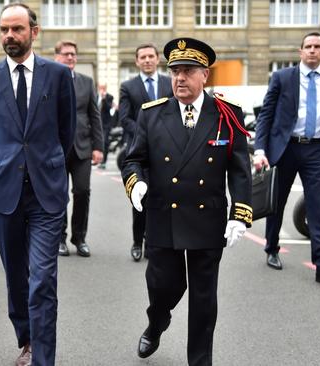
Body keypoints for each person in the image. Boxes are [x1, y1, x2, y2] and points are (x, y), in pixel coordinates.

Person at [120, 37, 252, 365]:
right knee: (162, 287)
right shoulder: (152, 115)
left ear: (205, 75)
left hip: (207, 220)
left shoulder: (226, 114)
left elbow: (239, 170)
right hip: (163, 216)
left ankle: (200, 360)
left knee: (204, 299)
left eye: (188, 71)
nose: (179, 78)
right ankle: (157, 322)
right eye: (175, 71)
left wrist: (239, 213)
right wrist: (135, 183)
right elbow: (132, 159)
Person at [0, 3, 76, 365]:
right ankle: (27, 339)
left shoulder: (58, 76)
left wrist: (45, 164)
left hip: (47, 193)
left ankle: (42, 358)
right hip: (4, 195)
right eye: (4, 30)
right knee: (17, 277)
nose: (9, 36)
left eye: (16, 29)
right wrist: (5, 165)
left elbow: (67, 132)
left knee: (42, 279)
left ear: (34, 31)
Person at [253, 32, 320, 282]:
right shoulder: (283, 77)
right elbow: (266, 116)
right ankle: (272, 248)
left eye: (318, 47)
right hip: (285, 148)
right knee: (277, 202)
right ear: (300, 51)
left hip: (317, 150)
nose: (313, 50)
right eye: (308, 46)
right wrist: (260, 150)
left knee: (318, 206)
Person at [119, 43, 172, 261]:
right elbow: (124, 118)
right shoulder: (128, 87)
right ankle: (136, 242)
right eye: (143, 57)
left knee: (163, 197)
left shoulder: (170, 84)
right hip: (139, 151)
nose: (148, 60)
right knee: (139, 196)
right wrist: (146, 133)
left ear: (158, 59)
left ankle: (154, 241)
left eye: (151, 56)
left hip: (167, 150)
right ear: (137, 61)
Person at [53, 40, 103, 258]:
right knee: (58, 195)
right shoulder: (50, 81)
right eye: (66, 54)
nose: (70, 58)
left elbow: (95, 115)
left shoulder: (86, 82)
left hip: (83, 148)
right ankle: (60, 239)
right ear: (57, 57)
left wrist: (98, 147)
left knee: (82, 192)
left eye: (73, 54)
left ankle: (79, 238)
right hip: (56, 149)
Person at [97, 83, 114, 169]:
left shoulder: (109, 97)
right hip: (97, 124)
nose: (102, 89)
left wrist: (104, 99)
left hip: (106, 124)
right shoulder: (95, 96)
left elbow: (108, 108)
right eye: (100, 87)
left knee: (104, 142)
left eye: (103, 87)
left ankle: (104, 161)